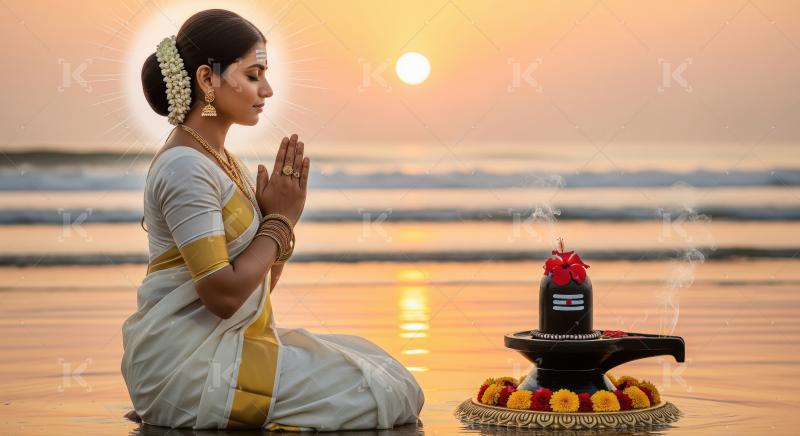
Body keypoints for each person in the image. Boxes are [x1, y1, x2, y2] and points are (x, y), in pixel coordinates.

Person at [121, 9, 424, 431]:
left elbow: (254, 289)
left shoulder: (224, 163)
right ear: (207, 80)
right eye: (253, 74)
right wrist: (279, 222)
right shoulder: (185, 168)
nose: (267, 89)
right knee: (387, 393)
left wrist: (278, 226)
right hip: (189, 364)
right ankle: (181, 400)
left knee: (384, 369)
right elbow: (223, 297)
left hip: (218, 349)